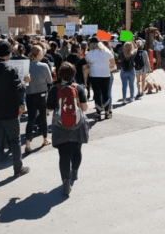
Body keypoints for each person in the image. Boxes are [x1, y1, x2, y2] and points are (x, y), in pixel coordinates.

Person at [0, 40, 31, 187]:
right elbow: (18, 90)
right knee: (14, 141)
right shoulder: (10, 69)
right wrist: (25, 81)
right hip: (9, 111)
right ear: (8, 53)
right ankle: (18, 168)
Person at [47, 62, 88, 196]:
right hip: (77, 124)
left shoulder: (55, 89)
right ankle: (74, 171)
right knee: (77, 150)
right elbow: (85, 107)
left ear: (59, 74)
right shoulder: (79, 88)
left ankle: (66, 182)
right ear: (73, 74)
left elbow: (49, 108)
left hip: (60, 125)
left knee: (64, 155)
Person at [25, 45, 52, 153]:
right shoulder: (44, 66)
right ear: (40, 54)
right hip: (41, 94)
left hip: (29, 94)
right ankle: (45, 139)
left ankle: (27, 144)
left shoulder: (26, 66)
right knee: (43, 117)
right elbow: (49, 80)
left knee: (31, 119)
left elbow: (24, 82)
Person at [85, 37, 113, 121]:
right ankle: (107, 112)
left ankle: (98, 114)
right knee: (106, 94)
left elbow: (87, 65)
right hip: (106, 75)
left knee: (97, 94)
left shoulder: (89, 53)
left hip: (94, 76)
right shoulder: (107, 51)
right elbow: (112, 62)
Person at [119, 40, 138, 105]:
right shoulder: (133, 53)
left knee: (124, 86)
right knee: (131, 85)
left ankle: (124, 99)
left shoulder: (121, 53)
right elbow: (136, 48)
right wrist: (133, 41)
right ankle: (132, 98)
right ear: (130, 47)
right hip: (131, 70)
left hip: (123, 70)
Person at [101, 40, 116, 115]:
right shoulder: (111, 52)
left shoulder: (102, 53)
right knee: (108, 91)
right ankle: (109, 106)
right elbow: (113, 64)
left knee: (105, 91)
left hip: (104, 74)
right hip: (109, 73)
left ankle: (106, 106)